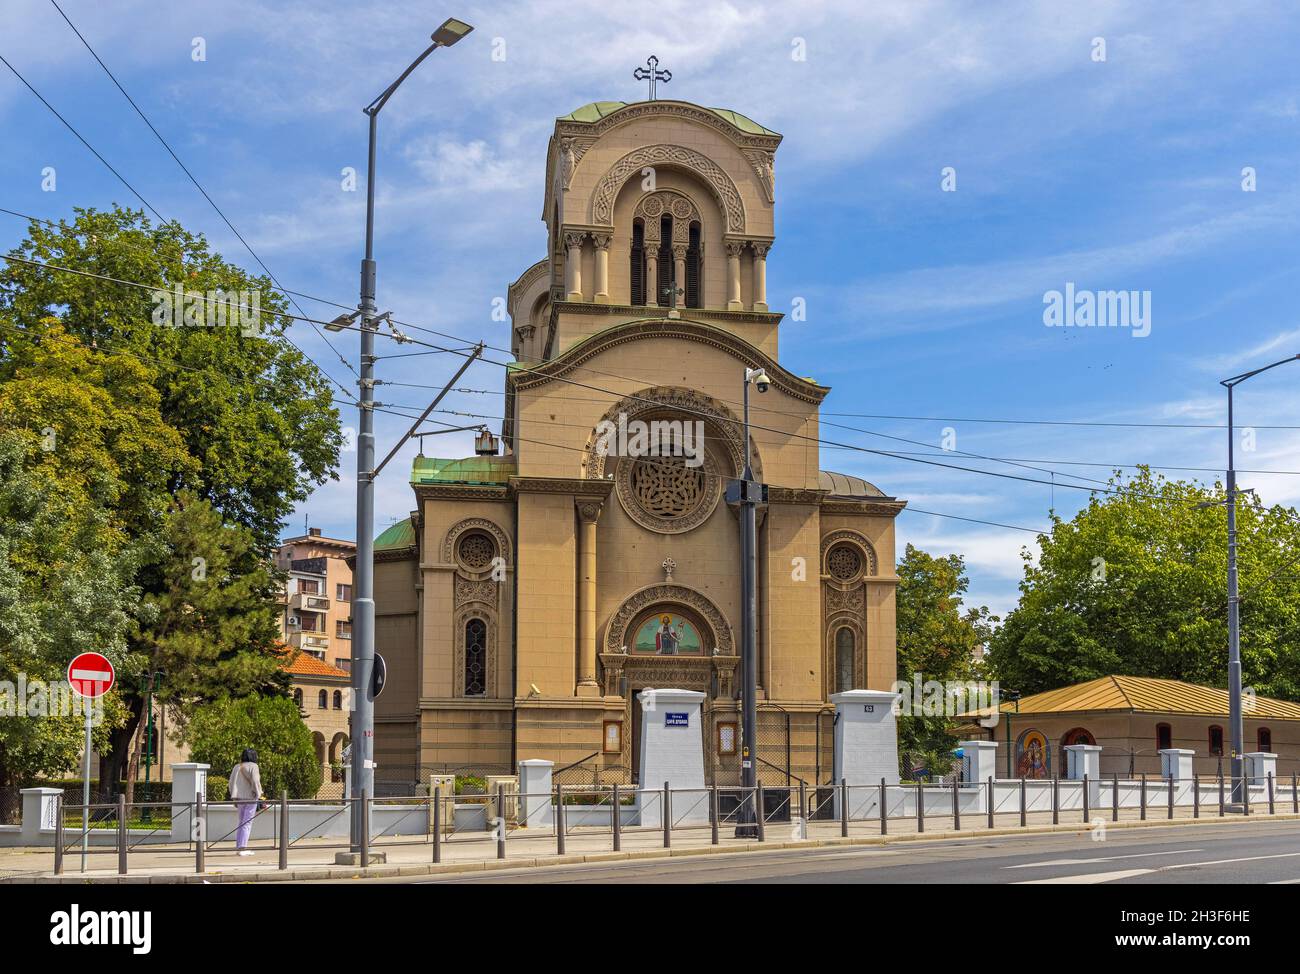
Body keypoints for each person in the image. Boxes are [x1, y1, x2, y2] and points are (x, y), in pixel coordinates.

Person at [229, 748, 264, 857]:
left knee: (241, 822)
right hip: (250, 798)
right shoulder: (254, 766)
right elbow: (255, 781)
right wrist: (258, 794)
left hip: (239, 798)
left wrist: (233, 796)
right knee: (247, 822)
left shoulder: (237, 767)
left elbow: (230, 783)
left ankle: (239, 847)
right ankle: (242, 848)